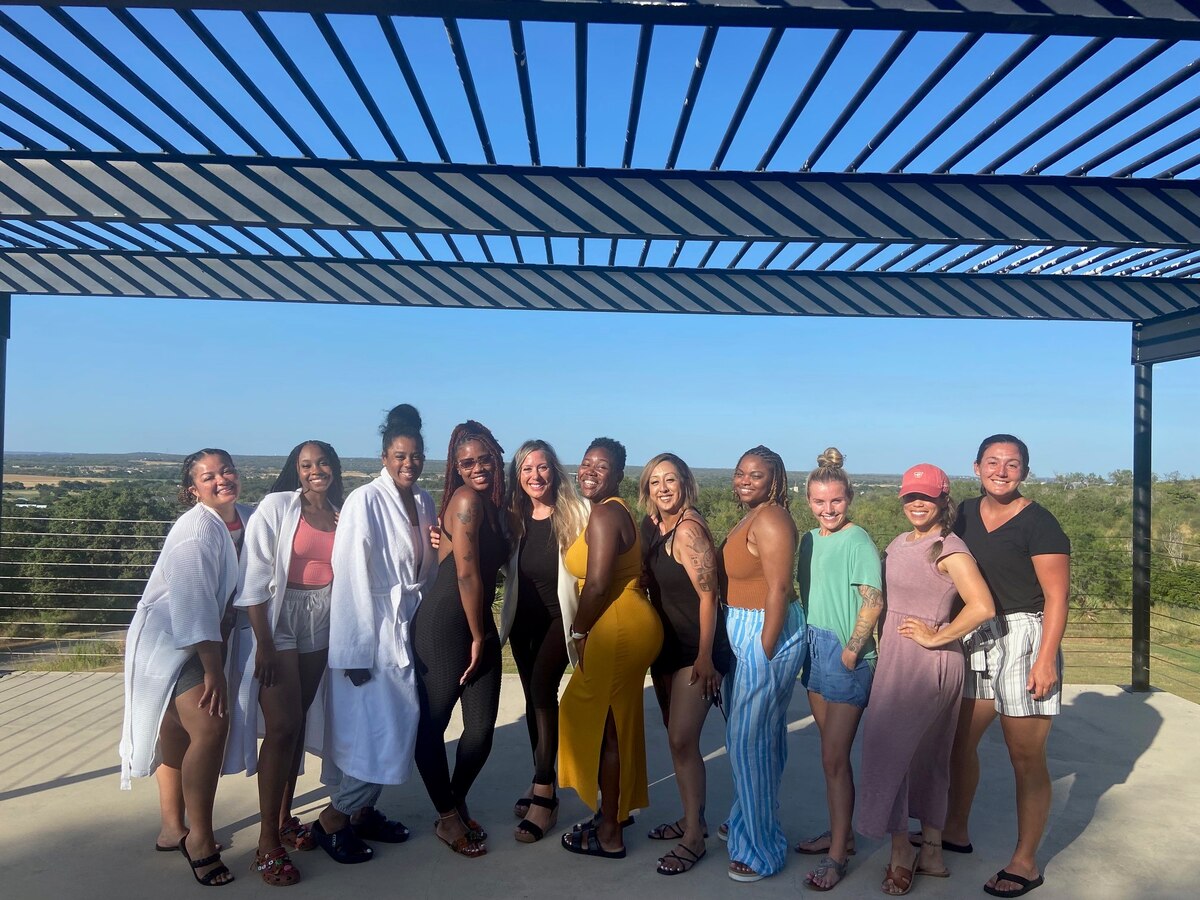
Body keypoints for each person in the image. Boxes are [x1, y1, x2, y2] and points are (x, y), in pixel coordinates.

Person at [940, 435, 1070, 899]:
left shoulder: (1040, 523)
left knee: (1025, 757)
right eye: (992, 462)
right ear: (975, 467)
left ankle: (1025, 861)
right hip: (977, 635)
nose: (1001, 470)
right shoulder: (964, 515)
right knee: (959, 743)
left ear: (1025, 472)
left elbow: (1057, 595)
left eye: (1012, 464)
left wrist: (1045, 659)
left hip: (1024, 636)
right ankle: (955, 830)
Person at [857, 464, 996, 896]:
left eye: (927, 497)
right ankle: (932, 851)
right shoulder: (899, 544)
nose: (917, 503)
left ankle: (902, 852)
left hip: (927, 661)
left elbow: (982, 606)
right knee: (927, 755)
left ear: (943, 500)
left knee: (891, 752)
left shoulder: (948, 547)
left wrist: (938, 635)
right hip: (900, 657)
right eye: (909, 497)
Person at [119, 449, 252, 887]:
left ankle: (171, 828)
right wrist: (214, 671)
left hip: (198, 636)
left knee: (176, 730)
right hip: (173, 640)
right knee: (212, 728)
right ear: (192, 489)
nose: (221, 480)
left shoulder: (241, 518)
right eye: (208, 476)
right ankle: (199, 839)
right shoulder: (196, 531)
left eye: (226, 470)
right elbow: (194, 610)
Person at [314, 405, 438, 865]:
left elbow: (423, 571)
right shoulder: (366, 500)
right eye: (400, 456)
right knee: (379, 733)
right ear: (384, 457)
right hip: (370, 634)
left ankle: (363, 812)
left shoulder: (423, 500)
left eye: (416, 456)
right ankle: (332, 819)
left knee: (394, 729)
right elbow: (347, 575)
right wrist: (353, 652)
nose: (409, 463)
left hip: (406, 627)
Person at [230, 440, 344, 885]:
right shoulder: (278, 506)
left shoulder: (342, 513)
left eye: (322, 463)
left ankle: (284, 818)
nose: (316, 470)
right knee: (279, 728)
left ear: (334, 467)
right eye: (306, 464)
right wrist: (263, 643)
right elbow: (255, 576)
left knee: (296, 721)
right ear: (296, 471)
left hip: (322, 615)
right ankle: (265, 843)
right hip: (278, 619)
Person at [559, 438, 663, 860]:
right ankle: (616, 809)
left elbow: (599, 582)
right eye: (586, 463)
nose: (590, 471)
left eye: (602, 467)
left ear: (619, 475)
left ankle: (610, 832)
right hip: (627, 623)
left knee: (601, 727)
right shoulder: (617, 511)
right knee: (618, 722)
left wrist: (579, 632)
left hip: (614, 628)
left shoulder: (604, 513)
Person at [412, 421, 509, 857]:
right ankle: (448, 817)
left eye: (483, 459)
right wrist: (477, 635)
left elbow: (452, 557)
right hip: (445, 624)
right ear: (457, 467)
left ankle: (452, 799)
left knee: (481, 728)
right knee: (433, 724)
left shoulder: (496, 506)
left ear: (495, 456)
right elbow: (465, 573)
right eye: (466, 463)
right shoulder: (467, 500)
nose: (476, 468)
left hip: (474, 620)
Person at [795, 447, 882, 892]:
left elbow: (873, 599)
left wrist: (852, 651)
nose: (828, 509)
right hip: (814, 647)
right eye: (819, 502)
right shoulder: (809, 539)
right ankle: (840, 836)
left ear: (848, 498)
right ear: (807, 500)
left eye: (836, 501)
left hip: (845, 656)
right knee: (832, 759)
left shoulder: (858, 540)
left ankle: (837, 855)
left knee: (833, 757)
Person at [720, 445, 806, 884]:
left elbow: (777, 588)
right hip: (745, 630)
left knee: (747, 742)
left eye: (756, 475)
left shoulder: (771, 518)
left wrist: (764, 650)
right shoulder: (751, 516)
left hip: (763, 633)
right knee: (759, 740)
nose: (745, 481)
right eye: (740, 473)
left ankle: (760, 850)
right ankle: (749, 823)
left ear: (775, 480)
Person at [638, 452, 726, 875]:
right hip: (667, 648)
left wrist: (706, 656)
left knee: (680, 740)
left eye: (670, 480)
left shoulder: (688, 530)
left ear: (685, 483)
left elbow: (709, 596)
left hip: (697, 649)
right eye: (655, 482)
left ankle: (694, 838)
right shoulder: (653, 526)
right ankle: (692, 818)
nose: (663, 488)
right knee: (679, 741)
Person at [499, 439, 589, 843]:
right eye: (526, 469)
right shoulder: (513, 516)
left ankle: (546, 797)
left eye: (542, 467)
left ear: (554, 470)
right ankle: (542, 778)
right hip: (524, 619)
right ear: (518, 477)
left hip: (561, 617)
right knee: (538, 702)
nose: (535, 476)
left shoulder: (578, 512)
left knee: (540, 689)